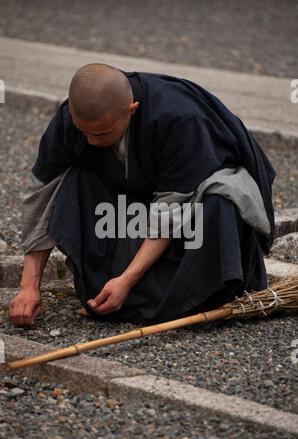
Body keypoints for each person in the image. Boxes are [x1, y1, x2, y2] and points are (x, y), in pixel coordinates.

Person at [9, 63, 276, 328]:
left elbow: (171, 209)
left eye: (101, 133)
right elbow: (40, 197)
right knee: (74, 181)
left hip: (195, 204)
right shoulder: (70, 119)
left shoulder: (179, 119)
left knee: (222, 202)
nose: (90, 141)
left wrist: (127, 279)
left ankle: (192, 296)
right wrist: (29, 287)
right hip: (135, 199)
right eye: (84, 132)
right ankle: (112, 289)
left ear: (132, 110)